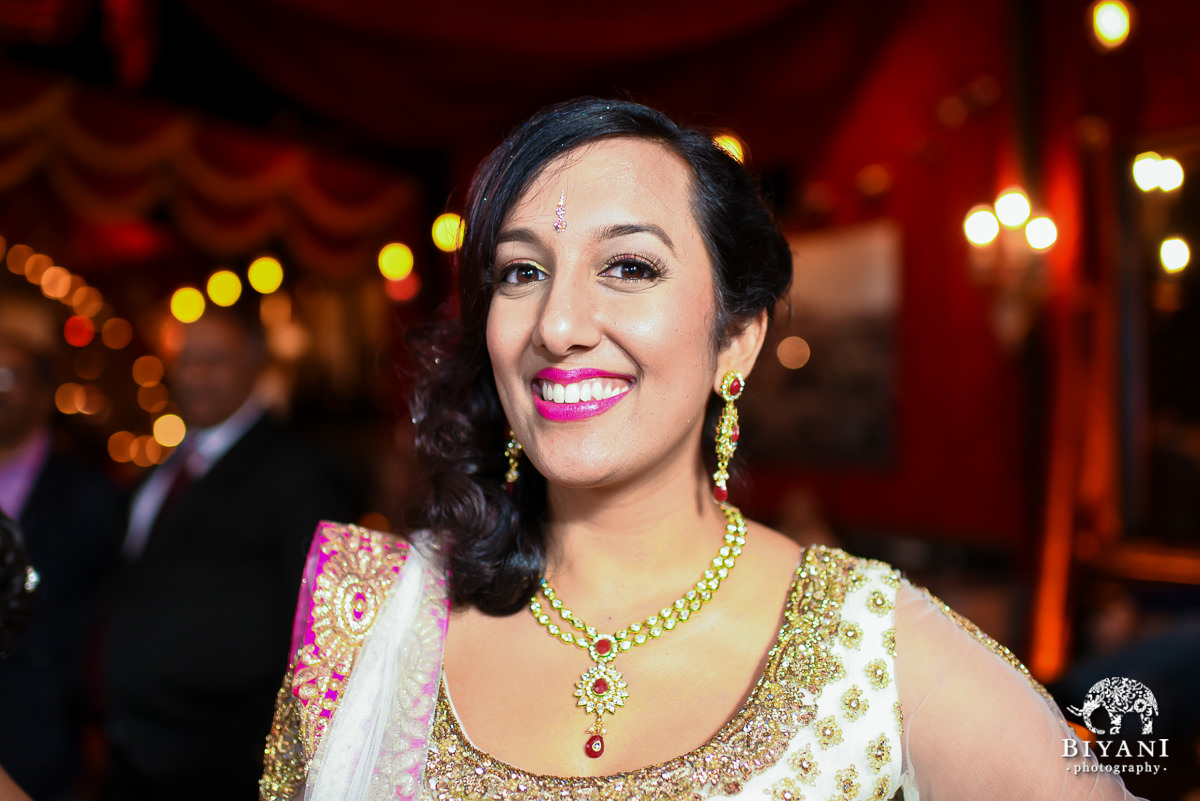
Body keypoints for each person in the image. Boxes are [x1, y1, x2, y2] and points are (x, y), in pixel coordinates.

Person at [260, 99, 1141, 800]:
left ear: (738, 340)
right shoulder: (372, 617)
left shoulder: (873, 653)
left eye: (630, 267)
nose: (557, 326)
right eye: (521, 272)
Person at [102, 305, 360, 800]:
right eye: (186, 359)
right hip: (133, 755)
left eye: (214, 360)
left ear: (255, 364)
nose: (195, 375)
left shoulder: (298, 471)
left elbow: (319, 629)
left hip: (222, 765)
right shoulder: (164, 469)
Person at [0, 298, 126, 801]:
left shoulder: (91, 496)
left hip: (46, 739)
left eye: (11, 376)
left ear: (44, 392)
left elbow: (104, 613)